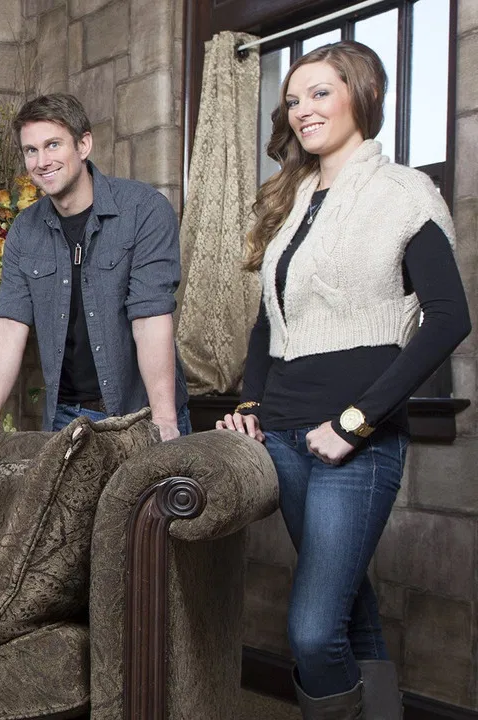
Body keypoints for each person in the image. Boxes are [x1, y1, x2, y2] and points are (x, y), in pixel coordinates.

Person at [216, 42, 469, 720]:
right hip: (284, 436)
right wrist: (251, 403)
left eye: (320, 93)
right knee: (350, 610)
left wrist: (357, 421)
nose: (302, 109)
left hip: (354, 443)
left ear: (362, 93)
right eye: (293, 99)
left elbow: (449, 317)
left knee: (311, 630)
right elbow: (269, 322)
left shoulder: (403, 193)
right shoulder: (294, 199)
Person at [0, 93, 189, 444]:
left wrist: (163, 420)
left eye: (53, 145)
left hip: (141, 413)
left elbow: (150, 316)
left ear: (83, 145)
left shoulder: (144, 210)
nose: (41, 161)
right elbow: (10, 323)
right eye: (31, 150)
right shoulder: (25, 230)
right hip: (67, 419)